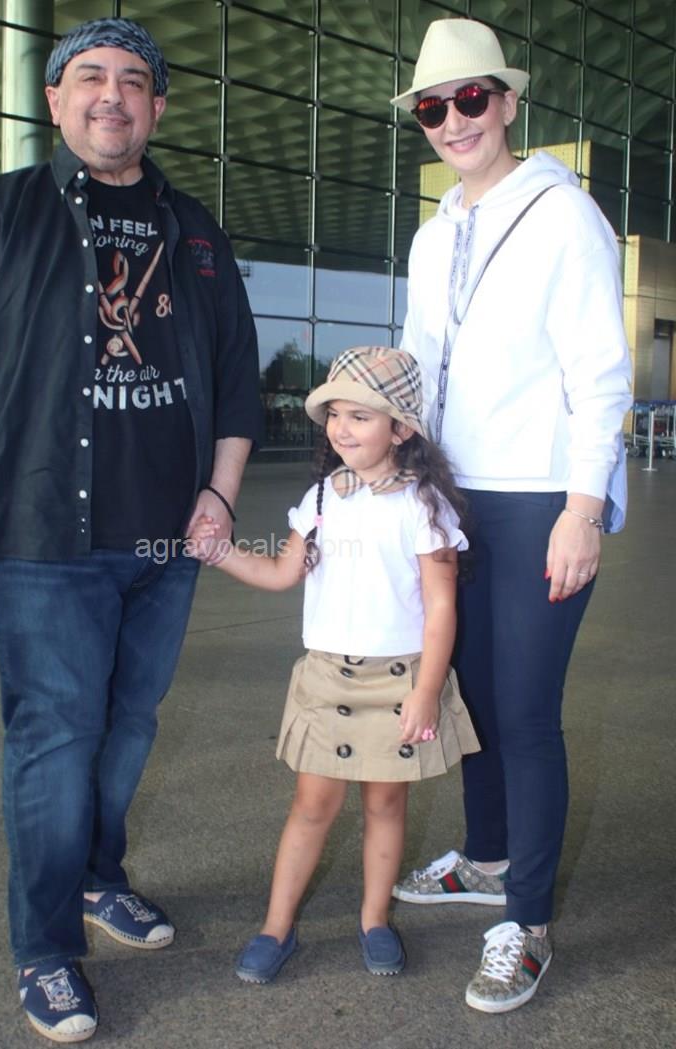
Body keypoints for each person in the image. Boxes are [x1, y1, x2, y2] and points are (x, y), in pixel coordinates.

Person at [0, 17, 262, 1044]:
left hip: (164, 539)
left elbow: (235, 375)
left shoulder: (194, 231)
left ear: (157, 106)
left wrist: (221, 497)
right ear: (57, 100)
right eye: (91, 77)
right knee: (56, 738)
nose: (113, 94)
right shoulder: (1, 213)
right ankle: (46, 946)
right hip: (37, 535)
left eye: (134, 80)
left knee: (128, 725)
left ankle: (101, 877)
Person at [390, 18, 632, 1014]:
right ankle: (487, 857)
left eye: (469, 99)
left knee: (525, 710)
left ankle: (524, 920)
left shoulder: (563, 215)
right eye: (432, 108)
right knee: (476, 699)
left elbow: (599, 372)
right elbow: (414, 367)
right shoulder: (431, 232)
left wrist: (582, 508)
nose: (453, 120)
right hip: (452, 495)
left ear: (507, 101)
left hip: (539, 495)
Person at [189, 346, 480, 983]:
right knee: (311, 806)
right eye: (336, 415)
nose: (342, 429)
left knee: (386, 806)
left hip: (399, 681)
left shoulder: (425, 505)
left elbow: (441, 608)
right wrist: (222, 554)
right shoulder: (322, 497)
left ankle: (375, 920)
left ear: (400, 431)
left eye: (361, 417)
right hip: (327, 678)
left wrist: (427, 691)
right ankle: (276, 926)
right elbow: (281, 572)